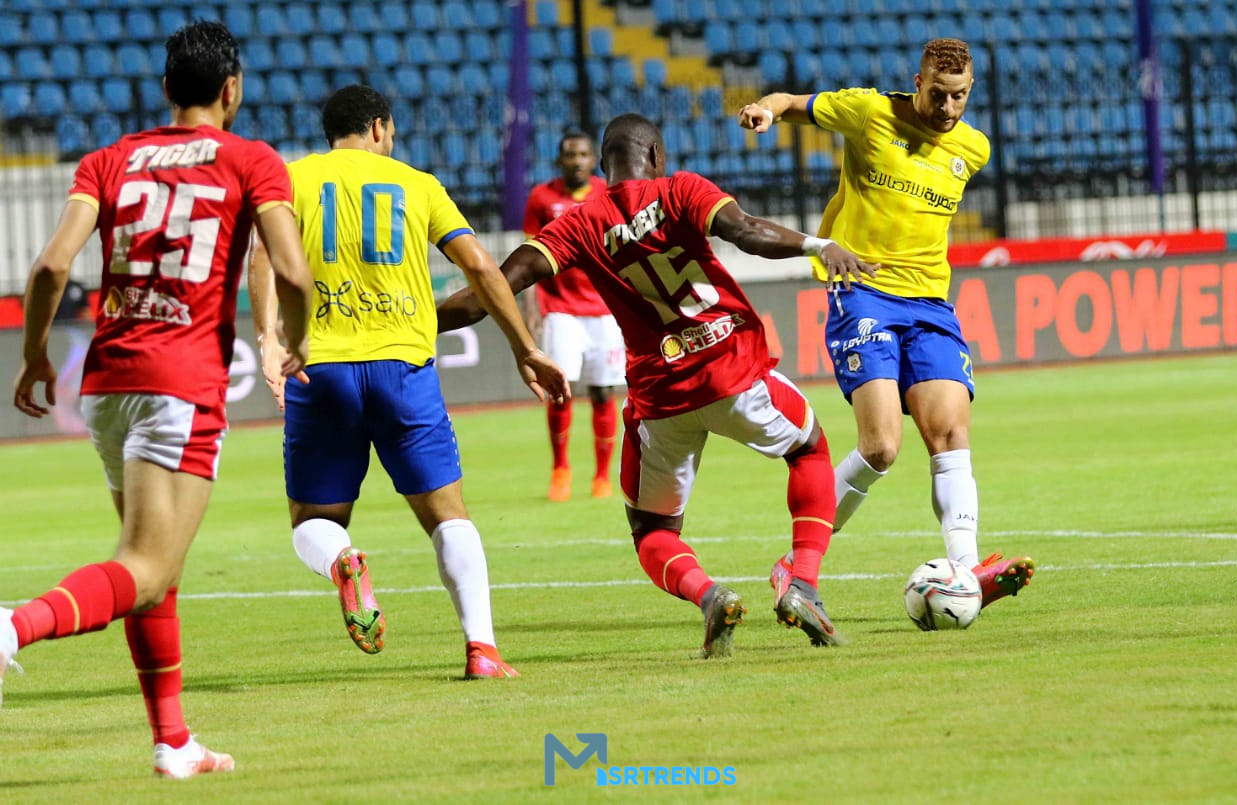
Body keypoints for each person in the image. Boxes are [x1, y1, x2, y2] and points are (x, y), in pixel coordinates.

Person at [437, 113, 879, 657]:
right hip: (735, 372)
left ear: (604, 167)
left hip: (662, 397)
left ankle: (710, 594)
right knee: (809, 449)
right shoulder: (681, 190)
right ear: (657, 156)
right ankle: (804, 583)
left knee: (652, 530)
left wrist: (417, 319)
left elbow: (492, 289)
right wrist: (818, 245)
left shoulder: (578, 223)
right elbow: (747, 232)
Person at [4, 20, 313, 778]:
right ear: (232, 90)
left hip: (107, 380)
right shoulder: (253, 160)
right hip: (182, 382)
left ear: (168, 87)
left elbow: (48, 267)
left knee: (158, 569)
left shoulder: (109, 159)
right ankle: (13, 626)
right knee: (144, 564)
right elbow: (294, 273)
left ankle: (172, 741)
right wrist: (290, 341)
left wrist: (36, 354)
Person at [249, 84, 569, 679]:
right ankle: (483, 650)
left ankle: (344, 560)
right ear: (377, 127)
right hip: (404, 369)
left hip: (320, 368)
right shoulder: (417, 185)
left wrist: (269, 335)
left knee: (313, 521)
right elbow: (478, 265)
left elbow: (263, 253)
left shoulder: (292, 179)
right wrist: (525, 347)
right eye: (390, 131)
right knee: (447, 514)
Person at [736, 38, 1035, 609]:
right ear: (918, 83)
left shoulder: (973, 149)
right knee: (880, 449)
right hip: (863, 292)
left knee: (949, 433)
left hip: (930, 303)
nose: (950, 110)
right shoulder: (870, 112)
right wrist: (766, 110)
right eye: (940, 95)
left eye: (962, 97)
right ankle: (794, 567)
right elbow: (792, 101)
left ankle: (969, 571)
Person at [523, 130, 625, 502]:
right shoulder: (541, 198)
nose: (577, 160)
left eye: (583, 154)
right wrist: (530, 307)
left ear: (592, 159)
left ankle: (601, 477)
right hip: (561, 311)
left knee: (603, 392)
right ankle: (561, 469)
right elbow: (530, 254)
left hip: (604, 311)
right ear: (560, 159)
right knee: (561, 392)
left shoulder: (607, 193)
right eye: (570, 154)